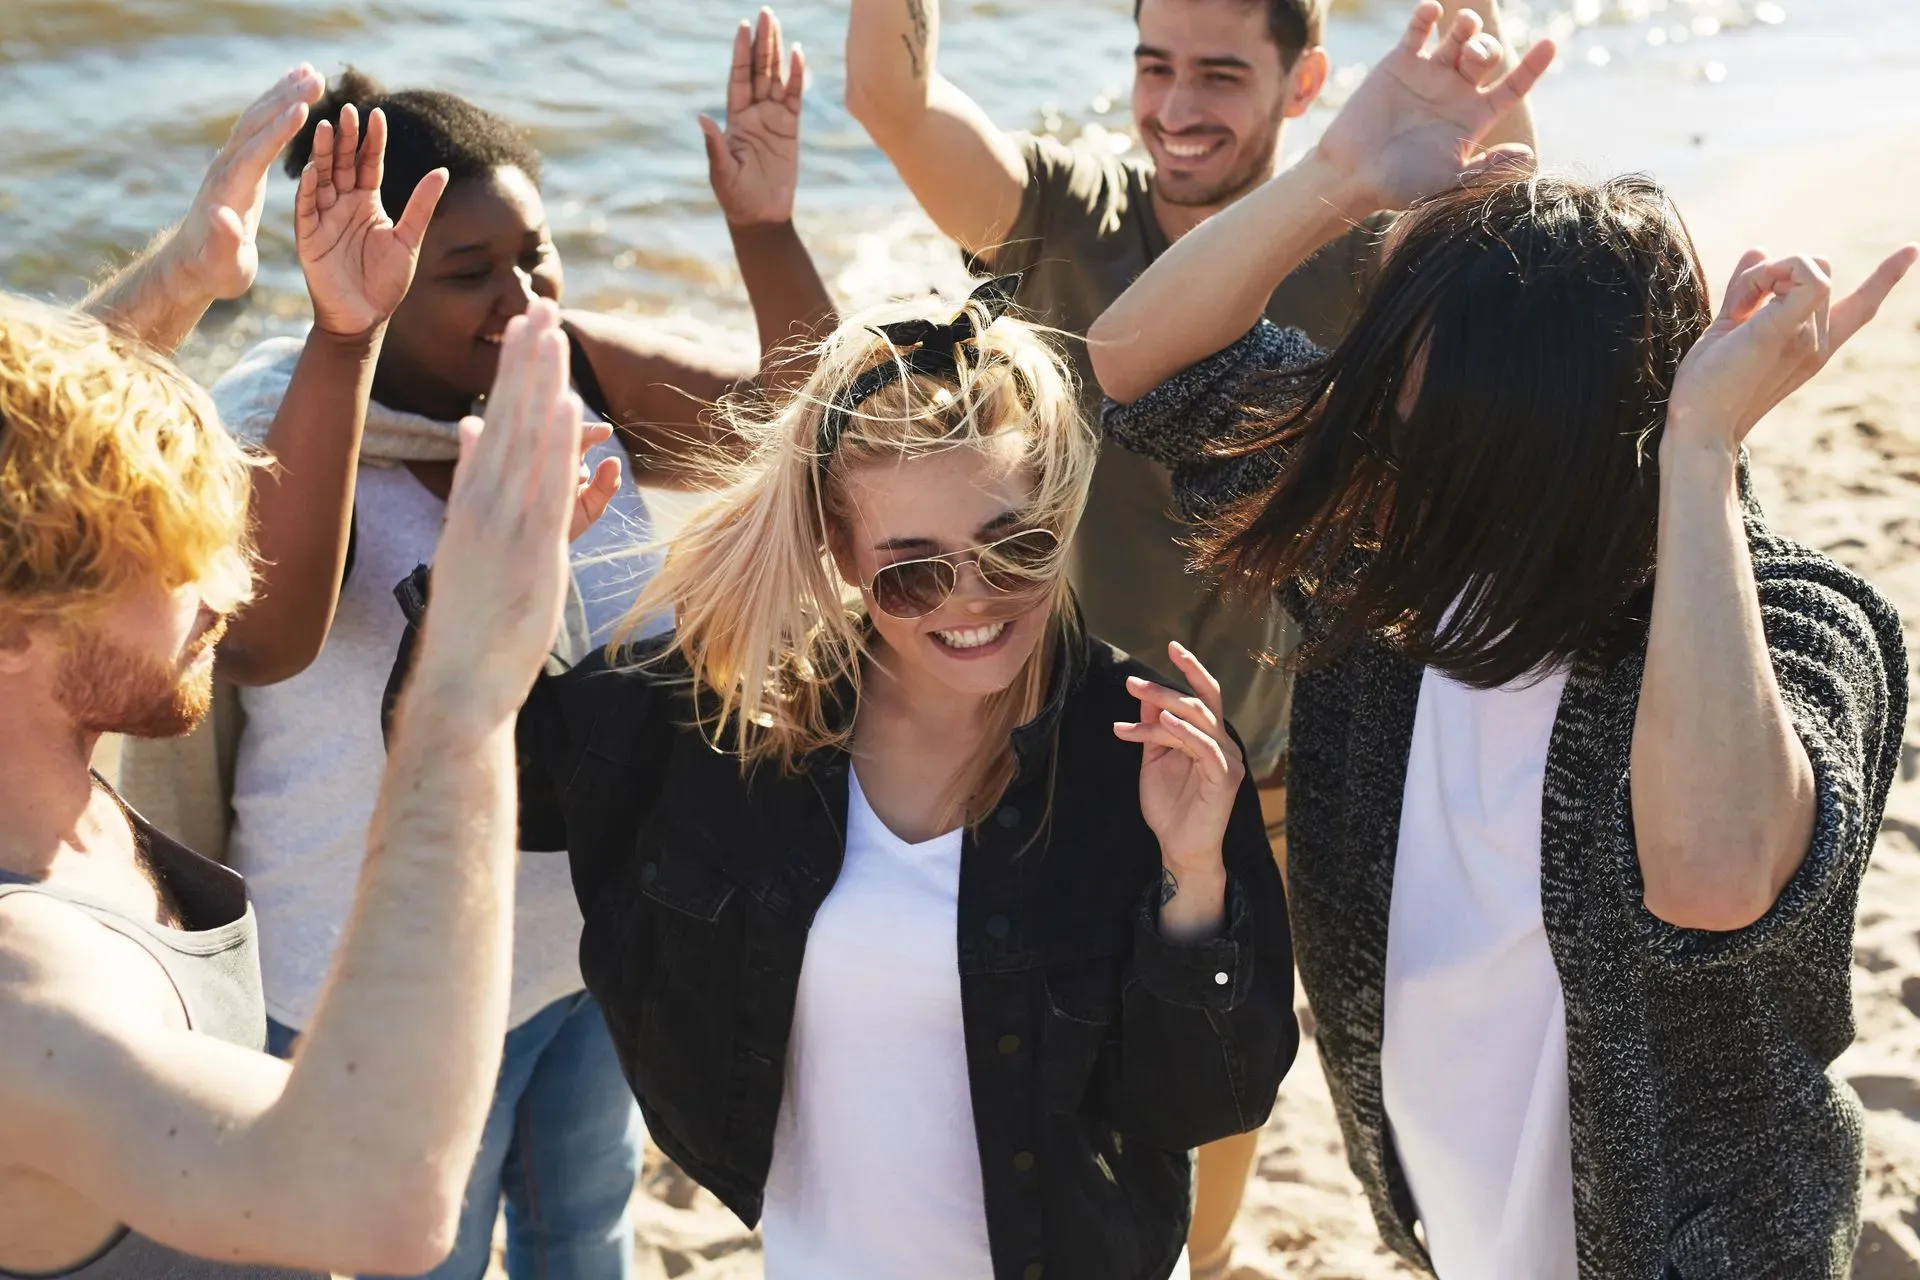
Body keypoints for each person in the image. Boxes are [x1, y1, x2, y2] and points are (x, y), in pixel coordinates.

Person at [1089, 4, 1914, 1275]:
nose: (1388, 462)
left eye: (1436, 437)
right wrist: (1338, 176)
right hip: (1448, 1231)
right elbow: (1139, 365)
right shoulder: (1393, 563)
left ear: (1576, 442)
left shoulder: (1800, 627)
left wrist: (1702, 450)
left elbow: (1712, 875)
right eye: (1389, 417)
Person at [384, 273, 1297, 1280]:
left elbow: (1212, 1095)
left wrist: (1196, 874)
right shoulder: (733, 717)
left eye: (1016, 548)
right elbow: (485, 765)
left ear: (1061, 517)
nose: (972, 599)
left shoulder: (1141, 750)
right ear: (843, 551)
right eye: (913, 570)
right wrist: (494, 579)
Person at [121, 15, 836, 1280]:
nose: (520, 297)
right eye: (467, 272)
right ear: (376, 271)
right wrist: (344, 340)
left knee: (586, 1221)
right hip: (367, 974)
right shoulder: (275, 420)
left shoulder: (570, 379)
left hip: (577, 950)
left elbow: (826, 431)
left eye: (536, 255)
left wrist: (764, 229)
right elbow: (267, 643)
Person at [841, 2, 1531, 1263]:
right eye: (1155, 66)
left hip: (1270, 771)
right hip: (1042, 760)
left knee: (1217, 1075)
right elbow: (894, 101)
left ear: (1305, 79)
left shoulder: (1369, 244)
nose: (1175, 107)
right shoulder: (1059, 212)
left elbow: (1527, 252)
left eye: (1222, 73)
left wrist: (1484, 80)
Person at [0, 254, 599, 1280]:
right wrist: (464, 689)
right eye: (174, 562)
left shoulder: (59, 793)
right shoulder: (26, 990)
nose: (229, 586)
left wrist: (183, 278)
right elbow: (377, 1203)